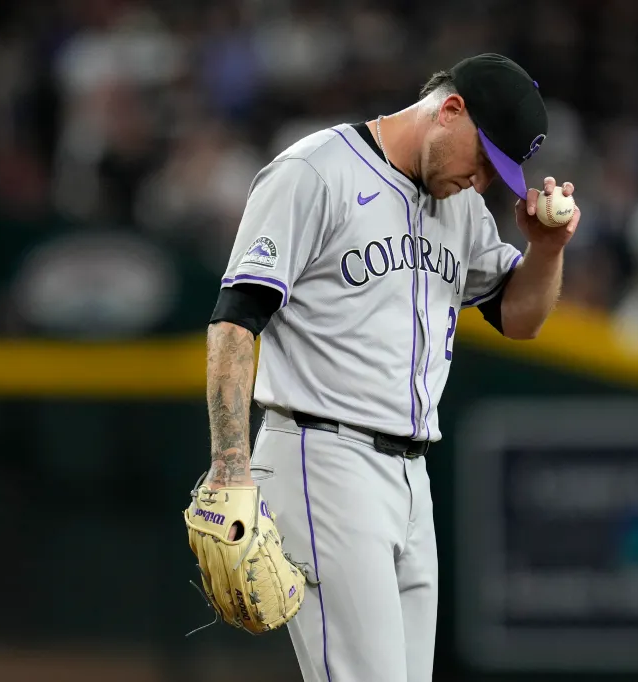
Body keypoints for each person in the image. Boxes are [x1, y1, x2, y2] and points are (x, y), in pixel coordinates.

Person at [202, 53, 579, 682]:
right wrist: (229, 467)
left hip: (410, 478)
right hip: (323, 460)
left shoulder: (458, 207)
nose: (482, 180)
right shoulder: (315, 171)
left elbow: (520, 317)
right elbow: (236, 319)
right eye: (484, 160)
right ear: (450, 110)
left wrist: (546, 249)